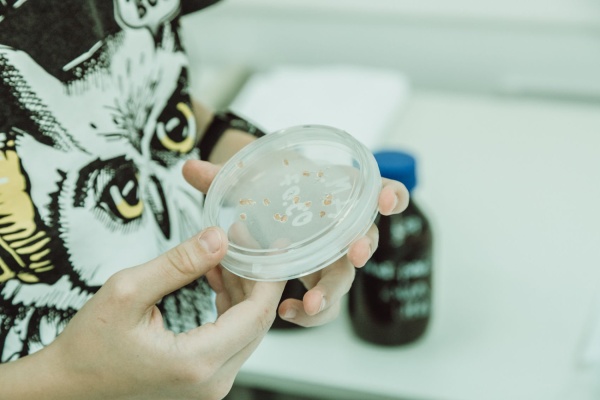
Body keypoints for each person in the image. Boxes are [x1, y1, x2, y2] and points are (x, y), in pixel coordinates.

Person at [0, 1, 409, 399]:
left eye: (170, 129)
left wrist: (262, 171)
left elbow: (130, 94)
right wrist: (64, 379)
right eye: (121, 194)